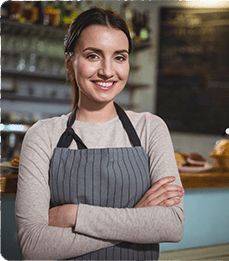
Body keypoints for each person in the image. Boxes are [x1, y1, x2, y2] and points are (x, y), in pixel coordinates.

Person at [15, 6, 184, 261]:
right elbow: (34, 246)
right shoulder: (43, 136)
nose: (107, 71)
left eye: (119, 57)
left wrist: (75, 215)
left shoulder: (150, 128)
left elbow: (171, 225)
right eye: (93, 56)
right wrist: (137, 217)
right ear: (70, 63)